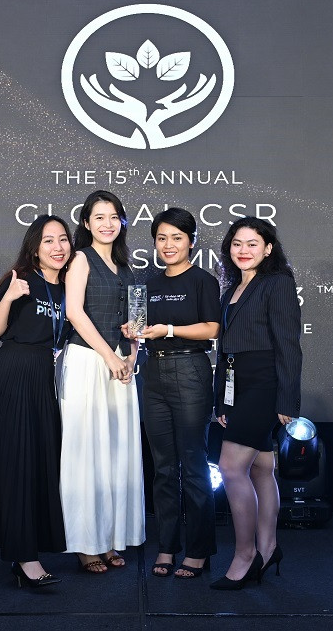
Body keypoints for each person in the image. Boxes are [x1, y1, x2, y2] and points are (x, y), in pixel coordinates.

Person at [0, 214, 73, 588]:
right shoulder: (20, 279)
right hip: (13, 375)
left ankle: (25, 549)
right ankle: (26, 559)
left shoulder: (69, 288)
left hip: (44, 379)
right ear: (34, 248)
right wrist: (9, 297)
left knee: (37, 463)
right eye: (48, 240)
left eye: (63, 239)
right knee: (18, 464)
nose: (57, 247)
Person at [125, 208, 220, 579]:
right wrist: (132, 331)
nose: (168, 245)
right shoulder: (146, 284)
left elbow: (212, 329)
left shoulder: (203, 281)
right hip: (153, 373)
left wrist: (167, 329)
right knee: (163, 468)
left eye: (177, 238)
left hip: (190, 370)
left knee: (194, 465)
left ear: (191, 242)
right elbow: (138, 328)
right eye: (161, 238)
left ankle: (198, 552)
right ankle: (166, 546)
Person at [209, 216, 302, 591]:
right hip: (236, 382)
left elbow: (289, 345)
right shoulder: (231, 287)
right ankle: (269, 548)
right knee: (262, 468)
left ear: (268, 249)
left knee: (231, 467)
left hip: (264, 383)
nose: (243, 250)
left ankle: (245, 556)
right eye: (237, 244)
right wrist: (221, 400)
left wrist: (287, 399)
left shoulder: (278, 283)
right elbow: (226, 349)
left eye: (252, 244)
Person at [58, 190, 145, 573]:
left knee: (116, 454)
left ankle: (110, 538)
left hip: (121, 367)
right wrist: (110, 356)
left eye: (113, 217)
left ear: (122, 221)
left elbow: (137, 321)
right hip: (87, 363)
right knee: (86, 454)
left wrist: (131, 356)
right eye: (99, 217)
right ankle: (85, 544)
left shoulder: (128, 268)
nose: (107, 224)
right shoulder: (80, 258)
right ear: (86, 223)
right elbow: (75, 313)